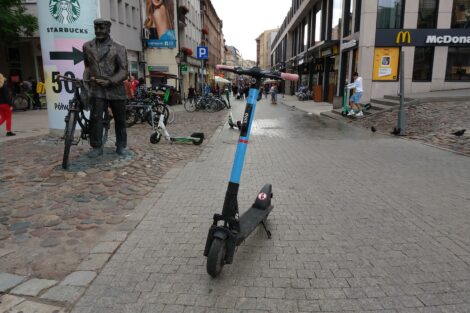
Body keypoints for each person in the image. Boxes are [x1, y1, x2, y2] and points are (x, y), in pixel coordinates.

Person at [82, 18, 128, 157]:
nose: (98, 31)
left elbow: (124, 71)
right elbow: (88, 66)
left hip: (115, 88)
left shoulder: (118, 47)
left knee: (120, 119)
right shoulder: (87, 46)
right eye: (96, 28)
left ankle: (120, 145)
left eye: (102, 28)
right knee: (95, 118)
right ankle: (96, 146)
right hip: (97, 89)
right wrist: (87, 79)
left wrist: (110, 81)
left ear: (108, 29)